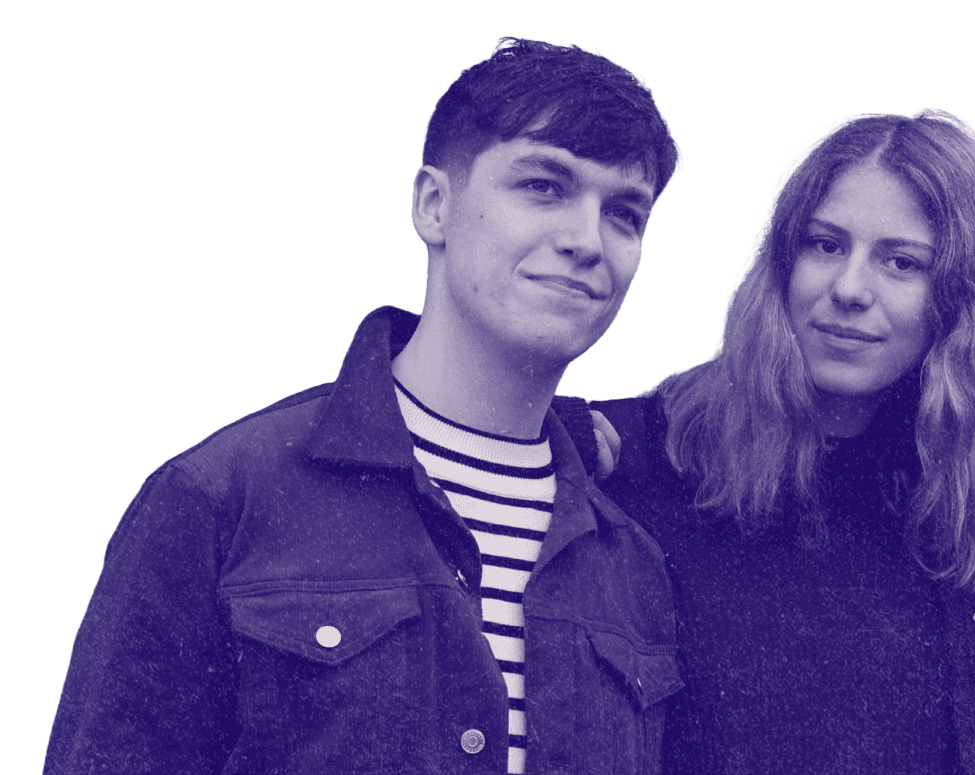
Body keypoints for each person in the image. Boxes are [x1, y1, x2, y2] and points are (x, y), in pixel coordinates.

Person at [44, 36, 684, 774]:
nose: (584, 239)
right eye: (544, 186)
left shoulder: (630, 562)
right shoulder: (223, 498)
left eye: (625, 214)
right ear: (433, 205)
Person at [583, 108, 975, 774]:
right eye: (825, 244)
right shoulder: (632, 453)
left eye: (901, 262)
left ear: (960, 301)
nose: (848, 289)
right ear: (780, 259)